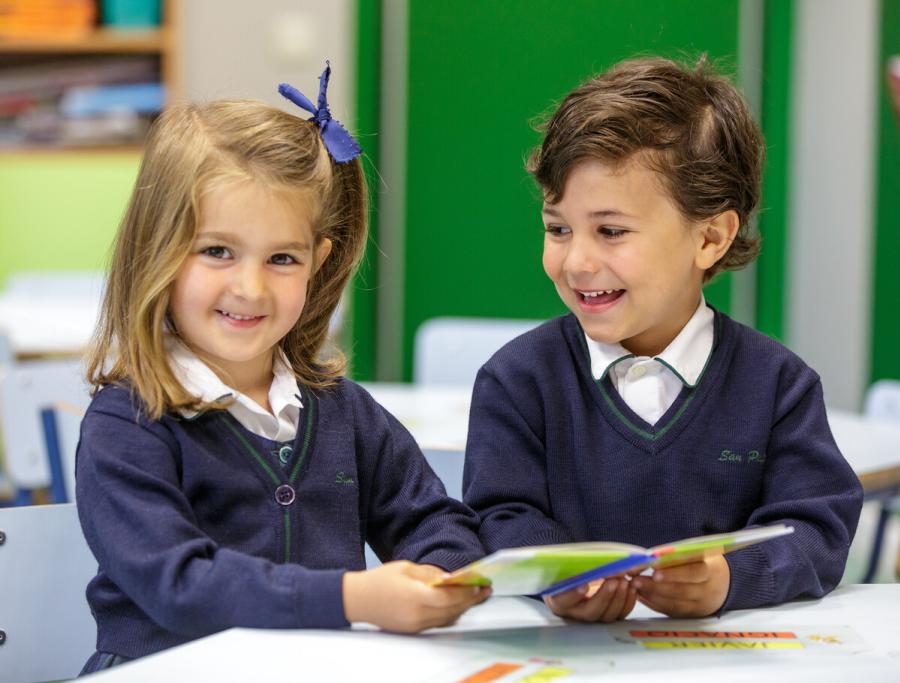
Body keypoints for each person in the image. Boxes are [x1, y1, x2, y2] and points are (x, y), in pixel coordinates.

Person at [76, 64, 487, 673]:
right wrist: (353, 598)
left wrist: (440, 577)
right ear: (157, 249)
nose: (250, 287)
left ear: (318, 262)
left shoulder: (341, 410)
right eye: (217, 251)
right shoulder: (128, 425)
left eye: (282, 258)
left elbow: (433, 521)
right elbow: (181, 585)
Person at [462, 56, 863, 623]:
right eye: (558, 229)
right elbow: (500, 514)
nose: (576, 261)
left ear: (711, 237)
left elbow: (818, 529)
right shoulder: (518, 379)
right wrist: (555, 575)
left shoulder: (778, 385)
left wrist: (729, 579)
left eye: (611, 231)